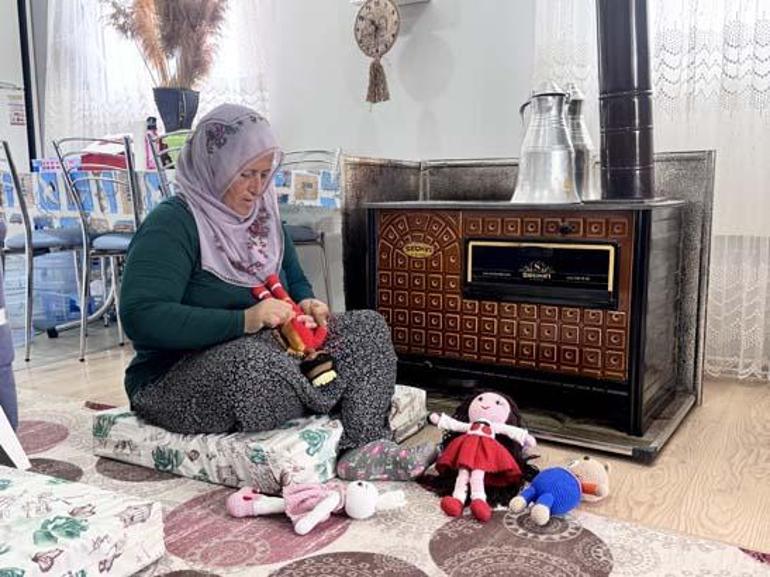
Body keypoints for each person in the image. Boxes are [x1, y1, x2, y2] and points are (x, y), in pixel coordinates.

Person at [119, 104, 434, 480]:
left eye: (265, 174)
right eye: (246, 174)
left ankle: (362, 445)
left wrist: (307, 303)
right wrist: (243, 320)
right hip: (175, 377)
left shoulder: (264, 218)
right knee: (251, 369)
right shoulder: (173, 223)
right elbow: (141, 316)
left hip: (278, 351)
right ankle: (333, 391)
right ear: (213, 168)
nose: (258, 187)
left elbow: (293, 280)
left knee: (368, 328)